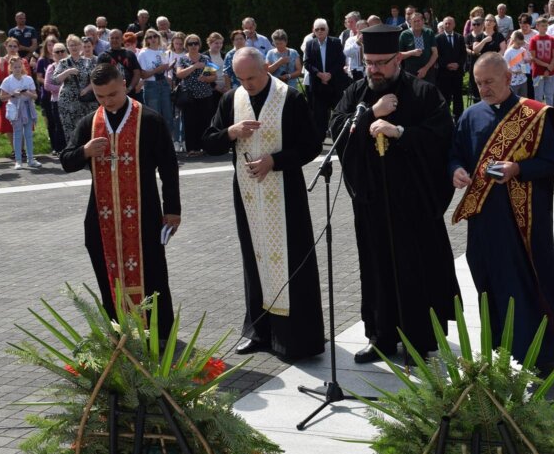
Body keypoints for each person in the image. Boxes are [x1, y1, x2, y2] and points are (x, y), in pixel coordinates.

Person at [329, 24, 459, 362]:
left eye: (381, 62)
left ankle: (419, 342)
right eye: (368, 62)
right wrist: (372, 113)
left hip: (413, 206)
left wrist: (399, 131)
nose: (373, 69)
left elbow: (441, 136)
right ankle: (381, 337)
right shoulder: (356, 93)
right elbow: (336, 129)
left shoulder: (423, 93)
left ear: (398, 59)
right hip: (371, 205)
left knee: (415, 272)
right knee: (377, 271)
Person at [201, 48, 325, 359]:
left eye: (252, 78)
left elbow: (311, 146)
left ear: (266, 68)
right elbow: (209, 141)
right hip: (248, 196)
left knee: (292, 262)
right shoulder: (232, 99)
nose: (248, 84)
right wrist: (231, 131)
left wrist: (275, 160)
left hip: (286, 194)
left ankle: (297, 339)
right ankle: (258, 331)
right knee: (253, 261)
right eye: (240, 79)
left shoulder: (290, 98)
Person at [450, 52, 554, 365]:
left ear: (509, 78)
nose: (483, 89)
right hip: (483, 221)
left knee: (526, 284)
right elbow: (455, 154)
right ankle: (497, 352)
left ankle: (540, 354)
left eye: (489, 82)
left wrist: (516, 169)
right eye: (478, 83)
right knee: (488, 285)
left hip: (523, 220)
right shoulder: (470, 116)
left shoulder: (536, 114)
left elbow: (550, 162)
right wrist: (456, 170)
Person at [60, 63, 180, 338]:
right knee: (108, 275)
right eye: (100, 97)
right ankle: (119, 331)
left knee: (153, 274)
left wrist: (172, 210)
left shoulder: (149, 120)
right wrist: (85, 151)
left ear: (124, 84)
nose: (107, 101)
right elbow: (66, 161)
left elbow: (169, 168)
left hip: (144, 213)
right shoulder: (89, 123)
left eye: (112, 94)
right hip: (102, 218)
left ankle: (160, 334)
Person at [303, 18, 349, 140]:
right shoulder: (310, 44)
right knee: (319, 118)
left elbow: (341, 61)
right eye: (317, 29)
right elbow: (307, 63)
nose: (320, 31)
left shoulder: (336, 42)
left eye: (322, 29)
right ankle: (320, 145)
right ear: (314, 31)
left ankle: (340, 140)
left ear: (327, 30)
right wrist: (319, 74)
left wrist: (329, 74)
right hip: (318, 86)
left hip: (334, 85)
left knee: (339, 114)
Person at [49, 35, 98, 142]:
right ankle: (72, 154)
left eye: (76, 45)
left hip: (85, 100)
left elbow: (94, 80)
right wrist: (68, 71)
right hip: (67, 102)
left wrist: (86, 89)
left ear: (81, 46)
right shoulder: (63, 62)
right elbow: (54, 80)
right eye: (71, 45)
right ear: (68, 47)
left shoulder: (88, 62)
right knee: (70, 130)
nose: (74, 47)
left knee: (86, 128)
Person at [175, 35, 217, 157]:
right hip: (189, 96)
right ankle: (192, 149)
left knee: (205, 122)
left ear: (199, 45)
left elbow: (214, 76)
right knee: (190, 123)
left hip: (205, 95)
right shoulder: (182, 59)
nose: (193, 46)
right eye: (190, 44)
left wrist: (206, 78)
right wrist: (194, 66)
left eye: (196, 43)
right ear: (186, 46)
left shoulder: (206, 58)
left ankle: (205, 147)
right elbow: (179, 74)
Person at [0, 55, 41, 170]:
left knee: (28, 134)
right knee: (17, 135)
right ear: (11, 68)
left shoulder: (28, 79)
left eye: (19, 66)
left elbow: (35, 96)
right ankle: (18, 161)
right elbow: (2, 97)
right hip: (15, 109)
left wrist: (28, 93)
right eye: (15, 67)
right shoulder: (7, 80)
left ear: (22, 67)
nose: (17, 69)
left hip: (28, 108)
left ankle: (31, 159)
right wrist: (13, 94)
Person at [137, 28, 174, 136]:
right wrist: (158, 69)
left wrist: (170, 66)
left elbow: (165, 67)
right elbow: (143, 75)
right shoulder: (143, 53)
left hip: (163, 83)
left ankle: (169, 142)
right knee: (154, 115)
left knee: (168, 115)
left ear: (158, 38)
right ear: (146, 40)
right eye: (150, 37)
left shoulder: (162, 51)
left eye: (155, 36)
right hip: (151, 85)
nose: (153, 39)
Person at [435, 16, 467, 120]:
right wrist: (446, 65)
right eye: (446, 23)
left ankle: (459, 118)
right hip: (444, 74)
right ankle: (445, 118)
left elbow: (463, 54)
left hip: (457, 73)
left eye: (450, 23)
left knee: (458, 97)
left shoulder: (460, 37)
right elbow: (437, 55)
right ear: (443, 25)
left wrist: (458, 64)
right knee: (445, 98)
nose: (448, 25)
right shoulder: (438, 39)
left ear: (454, 25)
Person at [42, 40, 68, 153]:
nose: (60, 54)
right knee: (59, 124)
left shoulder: (71, 64)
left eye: (62, 51)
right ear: (53, 54)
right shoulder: (51, 67)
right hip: (57, 100)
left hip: (72, 101)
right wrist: (62, 88)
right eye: (57, 52)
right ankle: (60, 148)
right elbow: (47, 85)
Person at [398, 11, 439, 83]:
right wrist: (412, 53)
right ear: (410, 22)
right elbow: (398, 55)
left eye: (418, 21)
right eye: (414, 21)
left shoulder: (429, 32)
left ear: (423, 21)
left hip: (428, 71)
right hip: (411, 73)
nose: (417, 23)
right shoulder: (405, 34)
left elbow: (435, 54)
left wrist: (425, 69)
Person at [98, 29, 143, 94]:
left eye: (117, 38)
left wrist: (129, 88)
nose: (114, 40)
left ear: (122, 40)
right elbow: (99, 75)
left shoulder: (130, 54)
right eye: (112, 38)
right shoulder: (103, 56)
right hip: (111, 94)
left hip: (130, 93)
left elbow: (137, 73)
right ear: (108, 39)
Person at [528, 17, 554, 105]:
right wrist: (547, 66)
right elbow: (533, 58)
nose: (545, 28)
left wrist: (549, 68)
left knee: (549, 95)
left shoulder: (551, 39)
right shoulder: (533, 40)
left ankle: (549, 116)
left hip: (550, 71)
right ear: (537, 26)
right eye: (542, 26)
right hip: (537, 72)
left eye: (546, 26)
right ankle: (539, 116)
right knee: (538, 96)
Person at [503, 30, 531, 96]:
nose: (520, 45)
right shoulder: (508, 52)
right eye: (518, 43)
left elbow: (526, 65)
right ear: (513, 41)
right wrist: (514, 71)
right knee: (514, 101)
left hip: (523, 80)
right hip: (513, 82)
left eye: (521, 43)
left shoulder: (523, 50)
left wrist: (524, 69)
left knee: (523, 100)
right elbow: (505, 66)